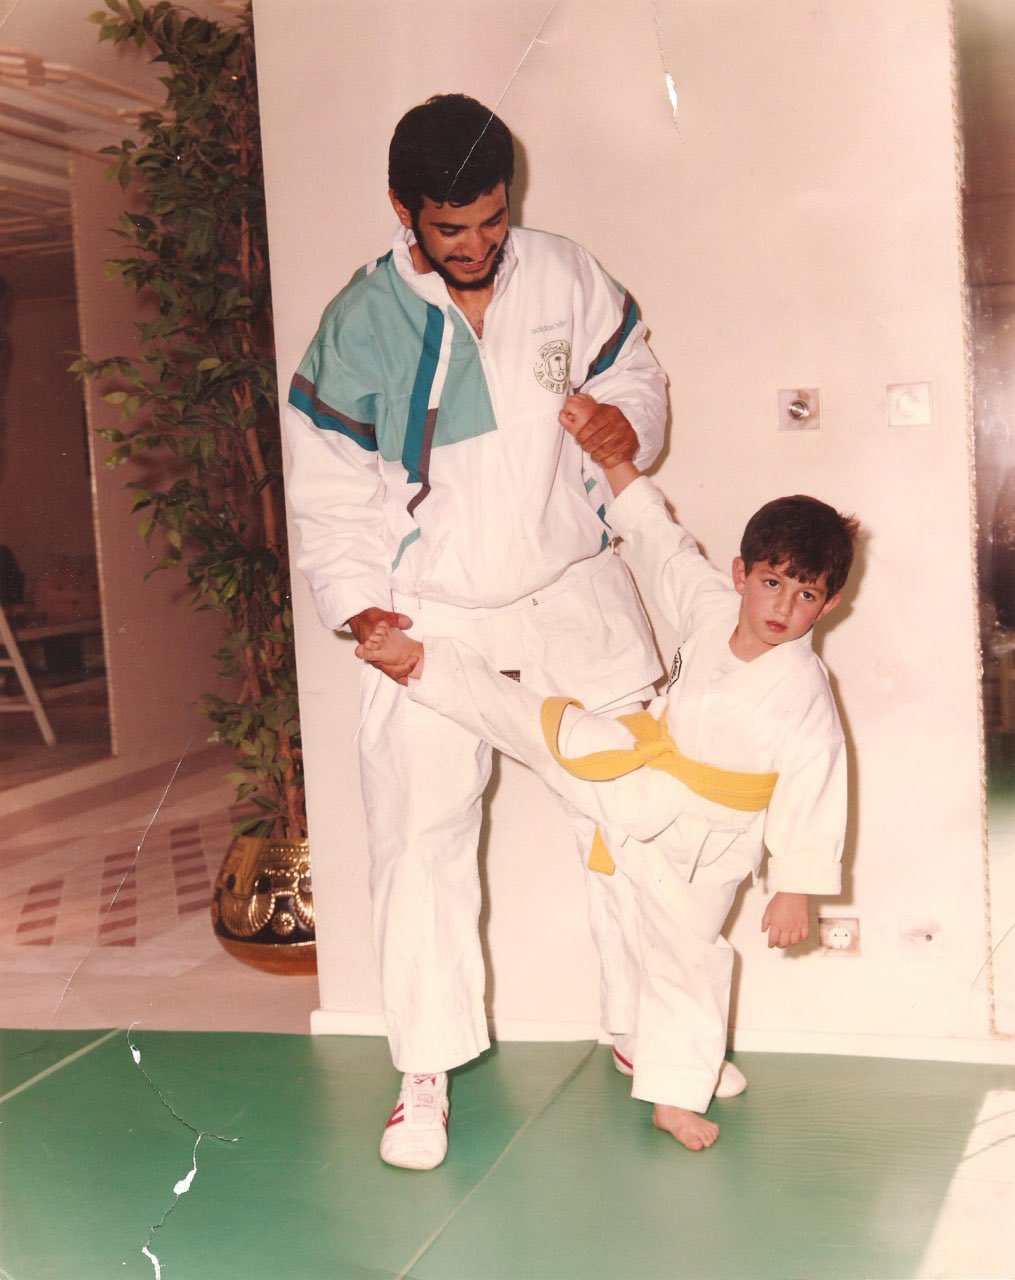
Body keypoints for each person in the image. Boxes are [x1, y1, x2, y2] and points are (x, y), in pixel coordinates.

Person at [284, 94, 669, 1169]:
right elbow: (329, 490)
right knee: (421, 842)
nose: (476, 243)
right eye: (451, 227)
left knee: (633, 815)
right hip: (432, 612)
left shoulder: (564, 273)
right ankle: (424, 1074)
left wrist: (625, 422)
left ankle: (648, 1031)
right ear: (403, 208)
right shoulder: (361, 321)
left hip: (571, 593)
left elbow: (634, 372)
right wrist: (361, 607)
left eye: (493, 219)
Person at [356, 391, 859, 1151]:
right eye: (771, 582)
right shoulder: (710, 606)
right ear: (741, 573)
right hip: (637, 770)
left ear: (828, 604)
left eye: (805, 594)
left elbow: (817, 784)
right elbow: (661, 544)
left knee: (685, 962)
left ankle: (673, 1094)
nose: (782, 606)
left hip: (706, 847)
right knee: (540, 724)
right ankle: (422, 663)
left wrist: (795, 885)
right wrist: (616, 462)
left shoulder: (803, 690)